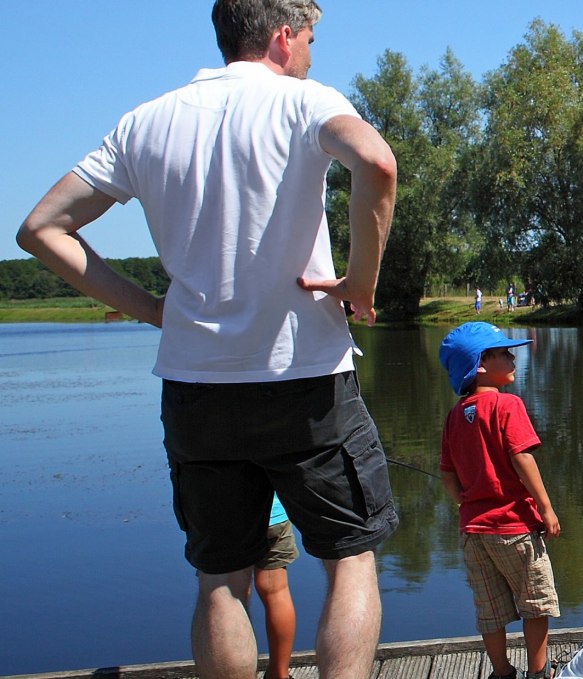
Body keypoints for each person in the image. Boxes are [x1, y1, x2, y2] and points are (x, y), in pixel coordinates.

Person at [14, 1, 399, 677]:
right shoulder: (304, 103)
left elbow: (41, 228)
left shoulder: (147, 121)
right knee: (349, 558)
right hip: (304, 381)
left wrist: (149, 308)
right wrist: (360, 284)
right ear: (283, 38)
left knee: (221, 578)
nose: (310, 54)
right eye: (309, 40)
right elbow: (376, 161)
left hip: (196, 389)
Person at [439, 322, 563, 679]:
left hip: (473, 532)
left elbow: (448, 475)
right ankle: (538, 672)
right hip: (515, 528)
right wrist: (545, 507)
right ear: (480, 364)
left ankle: (501, 672)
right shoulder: (508, 405)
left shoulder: (453, 417)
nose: (512, 358)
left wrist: (464, 504)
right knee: (535, 604)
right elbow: (522, 457)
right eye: (504, 353)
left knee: (489, 610)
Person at [254, 495, 298, 679]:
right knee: (276, 591)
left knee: (230, 593)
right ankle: (279, 674)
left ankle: (237, 670)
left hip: (219, 514)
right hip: (273, 515)